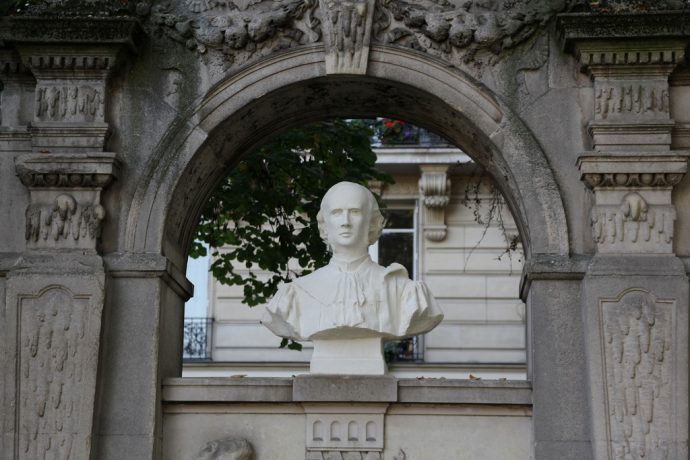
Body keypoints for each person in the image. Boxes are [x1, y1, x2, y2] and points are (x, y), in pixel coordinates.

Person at [262, 181, 443, 342]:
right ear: (324, 226)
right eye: (336, 213)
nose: (345, 222)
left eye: (355, 212)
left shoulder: (404, 291)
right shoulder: (296, 293)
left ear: (372, 223)